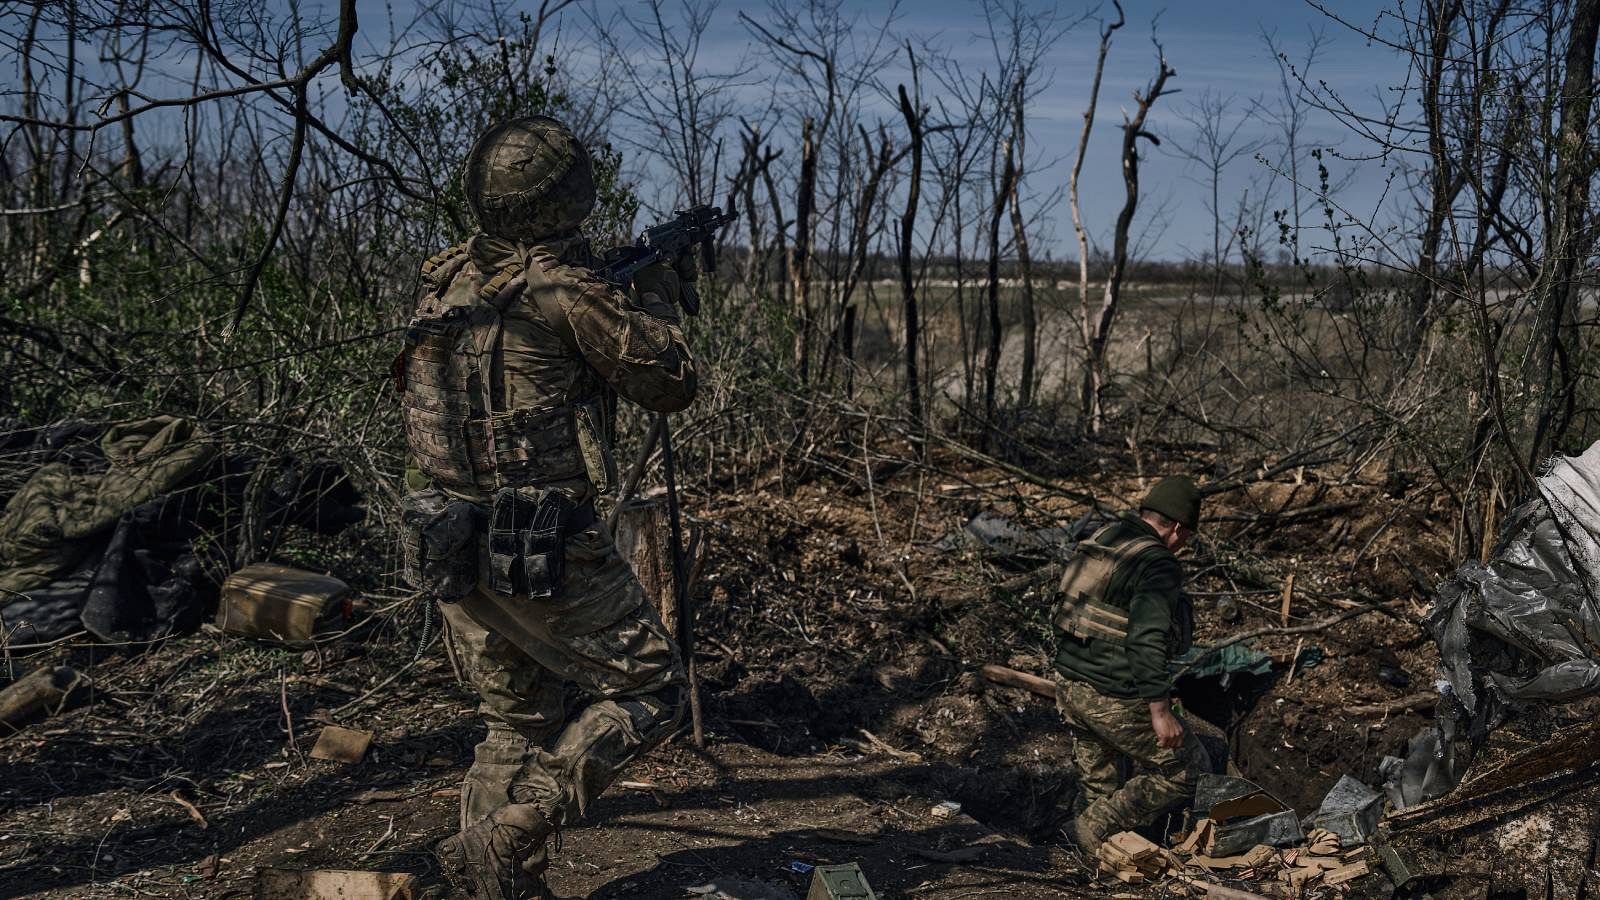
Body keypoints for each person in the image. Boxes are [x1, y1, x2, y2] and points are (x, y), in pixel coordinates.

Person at [394, 115, 697, 900]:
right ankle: (520, 828)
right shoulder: (560, 290)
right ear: (568, 197)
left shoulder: (444, 280)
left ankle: (494, 884)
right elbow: (670, 382)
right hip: (542, 544)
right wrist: (658, 294)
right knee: (650, 688)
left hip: (450, 536)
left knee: (513, 723)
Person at [1051, 475, 1208, 853]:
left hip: (1069, 683)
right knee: (1190, 769)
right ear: (1175, 528)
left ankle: (1083, 860)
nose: (1184, 546)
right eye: (1187, 537)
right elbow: (1146, 639)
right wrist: (1160, 709)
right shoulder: (1157, 563)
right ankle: (1090, 830)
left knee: (1099, 783)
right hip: (1112, 693)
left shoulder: (1106, 538)